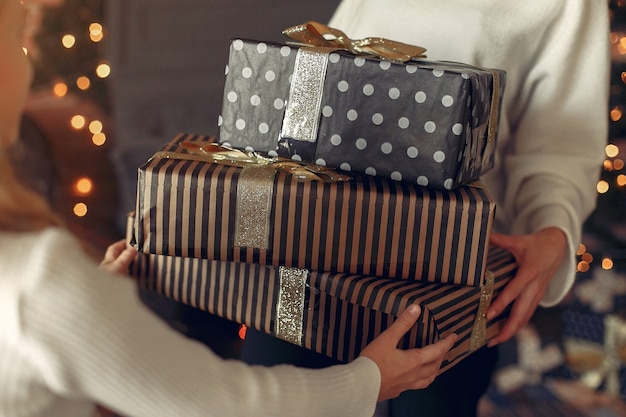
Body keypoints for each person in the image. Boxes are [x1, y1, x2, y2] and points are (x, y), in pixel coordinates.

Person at [0, 1, 457, 416]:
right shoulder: (39, 280)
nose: (31, 60)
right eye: (19, 40)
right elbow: (225, 405)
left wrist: (86, 304)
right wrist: (369, 379)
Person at [325, 0, 610, 416]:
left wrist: (553, 228)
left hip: (449, 272)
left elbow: (562, 142)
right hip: (320, 247)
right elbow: (329, 63)